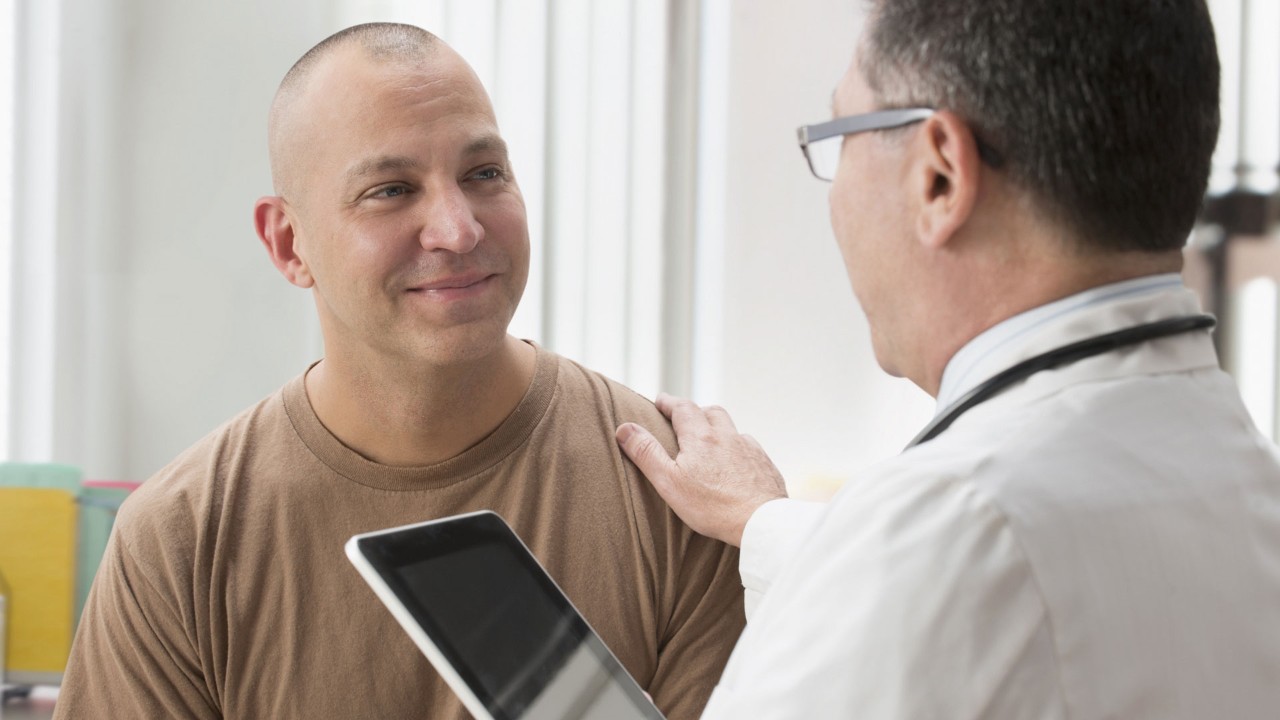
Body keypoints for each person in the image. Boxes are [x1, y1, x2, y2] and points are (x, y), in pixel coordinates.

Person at [54, 23, 744, 720]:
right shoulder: (179, 540)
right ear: (290, 243)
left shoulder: (680, 494)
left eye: (484, 174)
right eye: (390, 189)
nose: (459, 228)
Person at [616, 0, 1280, 717]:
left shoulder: (949, 527)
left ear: (940, 175)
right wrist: (766, 521)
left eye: (840, 136)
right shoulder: (1238, 467)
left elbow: (968, 563)